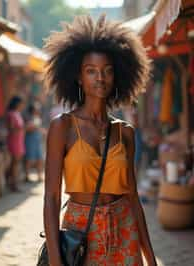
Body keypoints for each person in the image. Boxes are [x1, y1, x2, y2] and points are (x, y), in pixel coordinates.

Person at [43, 15, 157, 266]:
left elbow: (133, 197)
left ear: (117, 75)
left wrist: (149, 256)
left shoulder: (125, 132)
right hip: (80, 231)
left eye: (107, 71)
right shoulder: (62, 126)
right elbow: (51, 197)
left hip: (124, 227)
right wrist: (54, 259)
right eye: (91, 71)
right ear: (78, 77)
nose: (100, 78)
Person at [6, 96, 25, 192]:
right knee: (14, 163)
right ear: (17, 104)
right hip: (14, 141)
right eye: (21, 103)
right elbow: (11, 129)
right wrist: (23, 129)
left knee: (16, 163)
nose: (22, 105)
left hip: (19, 140)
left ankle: (12, 183)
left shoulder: (17, 113)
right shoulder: (11, 114)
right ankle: (13, 184)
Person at [24, 102, 45, 182]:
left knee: (40, 159)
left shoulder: (38, 118)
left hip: (37, 141)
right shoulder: (28, 118)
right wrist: (35, 128)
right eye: (37, 108)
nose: (39, 110)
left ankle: (39, 176)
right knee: (30, 159)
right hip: (30, 140)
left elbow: (38, 128)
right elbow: (27, 129)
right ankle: (27, 176)